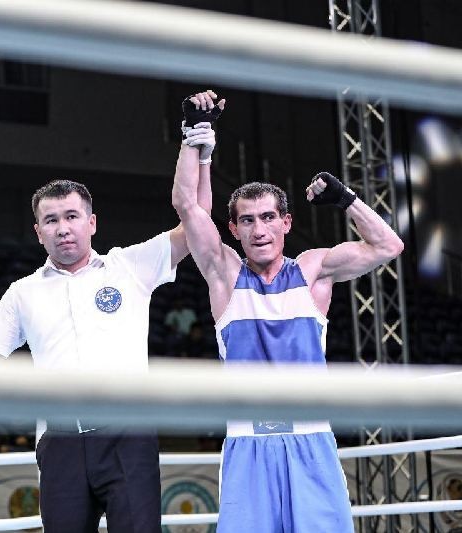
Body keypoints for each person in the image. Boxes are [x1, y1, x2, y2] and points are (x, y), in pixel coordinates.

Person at [172, 90, 404, 532]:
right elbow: (188, 207)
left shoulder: (313, 271)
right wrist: (193, 138)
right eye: (247, 220)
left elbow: (388, 246)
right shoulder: (224, 274)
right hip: (247, 443)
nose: (259, 229)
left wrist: (346, 199)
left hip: (311, 440)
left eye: (267, 217)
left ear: (286, 222)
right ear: (234, 229)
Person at [0, 177, 195, 532]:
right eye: (51, 220)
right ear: (38, 232)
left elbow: (194, 223)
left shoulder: (130, 266)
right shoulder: (23, 292)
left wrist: (197, 153)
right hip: (61, 443)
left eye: (72, 216)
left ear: (91, 222)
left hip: (128, 435)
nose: (62, 228)